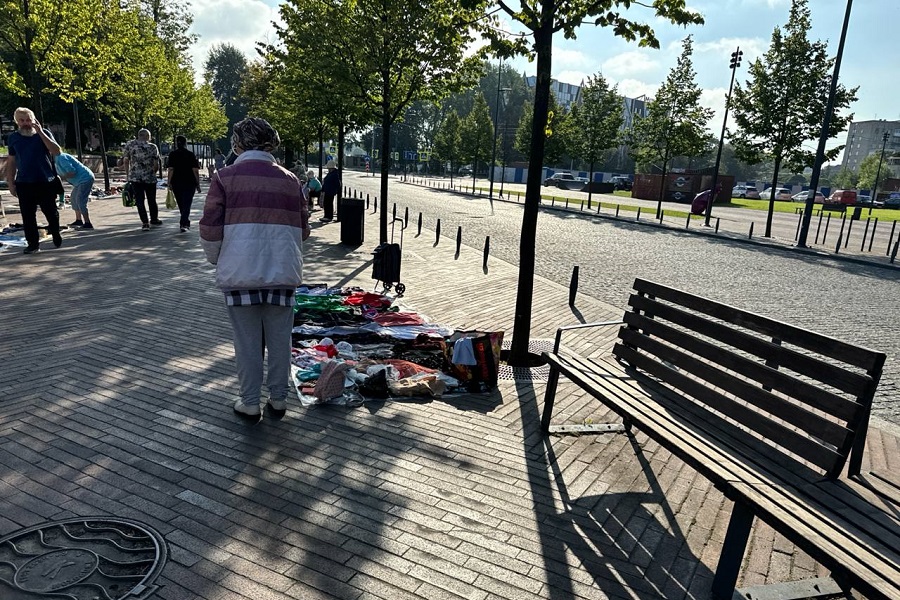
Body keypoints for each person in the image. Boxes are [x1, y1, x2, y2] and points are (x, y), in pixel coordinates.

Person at [199, 117, 311, 418]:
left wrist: (218, 258)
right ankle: (279, 398)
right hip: (282, 272)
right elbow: (303, 230)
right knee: (280, 339)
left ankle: (249, 402)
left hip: (240, 273)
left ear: (238, 143)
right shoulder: (292, 181)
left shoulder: (224, 178)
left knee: (247, 341)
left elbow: (210, 227)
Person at [4, 107, 62, 254]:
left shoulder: (44, 134)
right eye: (22, 120)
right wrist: (11, 182)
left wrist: (41, 132)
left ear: (34, 120)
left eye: (28, 120)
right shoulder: (13, 138)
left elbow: (57, 151)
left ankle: (55, 232)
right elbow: (11, 162)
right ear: (17, 122)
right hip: (24, 183)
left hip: (45, 181)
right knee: (28, 216)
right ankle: (33, 244)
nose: (26, 123)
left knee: (51, 212)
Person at [123, 128, 162, 231]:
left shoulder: (130, 145)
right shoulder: (153, 147)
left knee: (140, 200)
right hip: (150, 178)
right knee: (151, 200)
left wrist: (128, 175)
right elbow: (156, 164)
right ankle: (154, 219)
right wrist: (153, 173)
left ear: (138, 135)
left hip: (135, 178)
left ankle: (145, 222)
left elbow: (126, 161)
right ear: (148, 137)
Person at [165, 136, 202, 232]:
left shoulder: (172, 154)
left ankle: (184, 221)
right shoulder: (190, 154)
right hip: (190, 182)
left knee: (181, 203)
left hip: (176, 182)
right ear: (186, 143)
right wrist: (198, 184)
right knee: (187, 203)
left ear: (176, 144)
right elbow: (195, 170)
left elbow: (171, 169)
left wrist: (169, 182)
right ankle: (184, 223)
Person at [55, 152, 96, 229]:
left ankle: (88, 223)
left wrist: (62, 177)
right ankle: (78, 220)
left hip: (85, 178)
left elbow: (72, 171)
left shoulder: (61, 158)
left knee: (80, 200)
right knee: (73, 199)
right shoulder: (55, 160)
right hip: (79, 181)